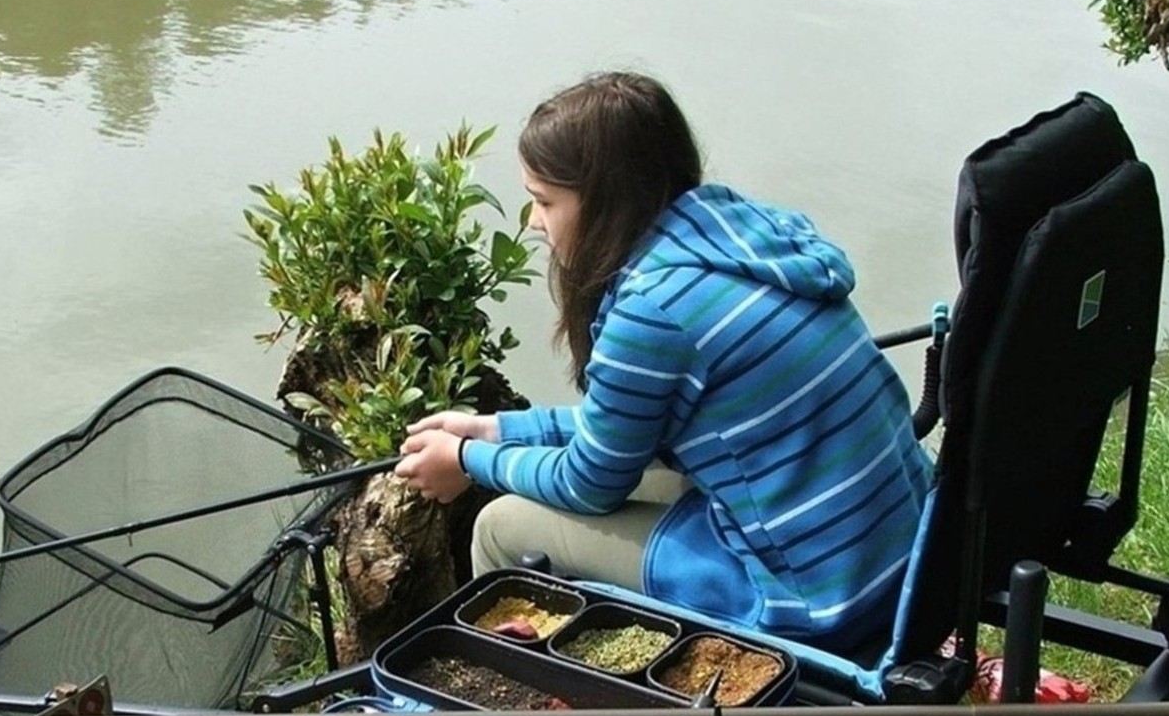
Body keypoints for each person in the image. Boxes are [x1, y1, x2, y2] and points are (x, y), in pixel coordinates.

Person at [394, 71, 931, 648]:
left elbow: (587, 484)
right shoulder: (740, 240)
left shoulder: (655, 309)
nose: (532, 221)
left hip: (818, 603)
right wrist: (495, 429)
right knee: (637, 479)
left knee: (501, 526)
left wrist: (468, 461)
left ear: (606, 201)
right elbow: (624, 429)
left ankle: (529, 690)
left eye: (544, 201)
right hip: (907, 561)